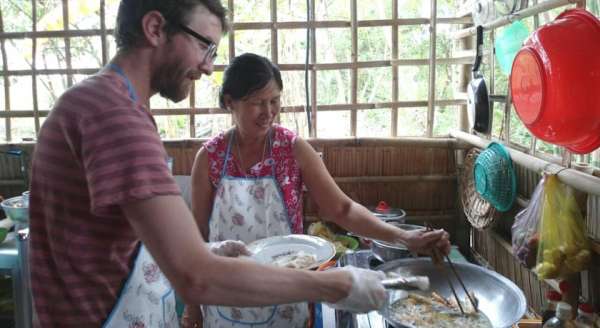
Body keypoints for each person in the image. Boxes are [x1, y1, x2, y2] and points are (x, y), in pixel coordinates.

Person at [28, 1, 390, 327]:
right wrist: (333, 285)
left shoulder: (94, 103)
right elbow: (196, 278)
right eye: (204, 45)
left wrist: (209, 251)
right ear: (155, 28)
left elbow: (122, 242)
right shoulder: (115, 117)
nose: (207, 66)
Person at [187, 53, 452, 327]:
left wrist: (404, 237)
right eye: (258, 103)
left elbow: (342, 209)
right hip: (229, 298)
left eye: (275, 100)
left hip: (288, 294)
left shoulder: (291, 149)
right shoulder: (210, 158)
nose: (269, 112)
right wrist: (192, 307)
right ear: (230, 102)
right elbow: (196, 239)